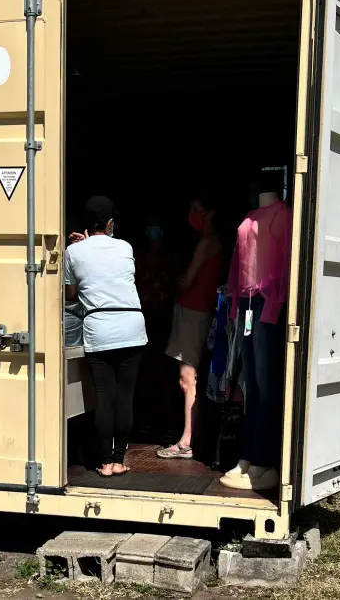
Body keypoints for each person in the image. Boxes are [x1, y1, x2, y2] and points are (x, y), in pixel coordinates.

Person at [65, 196, 147, 477]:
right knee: (125, 396)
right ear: (110, 222)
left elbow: (70, 294)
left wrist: (78, 248)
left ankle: (104, 462)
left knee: (104, 396)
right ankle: (119, 459)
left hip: (99, 328)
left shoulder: (73, 252)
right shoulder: (125, 247)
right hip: (131, 326)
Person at [157, 196, 222, 460]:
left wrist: (173, 278)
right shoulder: (215, 243)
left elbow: (186, 280)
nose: (192, 215)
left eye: (197, 210)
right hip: (199, 312)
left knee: (187, 378)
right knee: (191, 376)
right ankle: (190, 437)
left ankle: (186, 441)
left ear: (210, 213)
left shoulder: (207, 243)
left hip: (192, 313)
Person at [134, 216, 179, 440]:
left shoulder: (170, 259)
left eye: (158, 230)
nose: (154, 235)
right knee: (143, 373)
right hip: (142, 320)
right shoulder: (139, 259)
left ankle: (168, 422)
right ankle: (144, 421)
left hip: (163, 320)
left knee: (164, 373)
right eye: (151, 230)